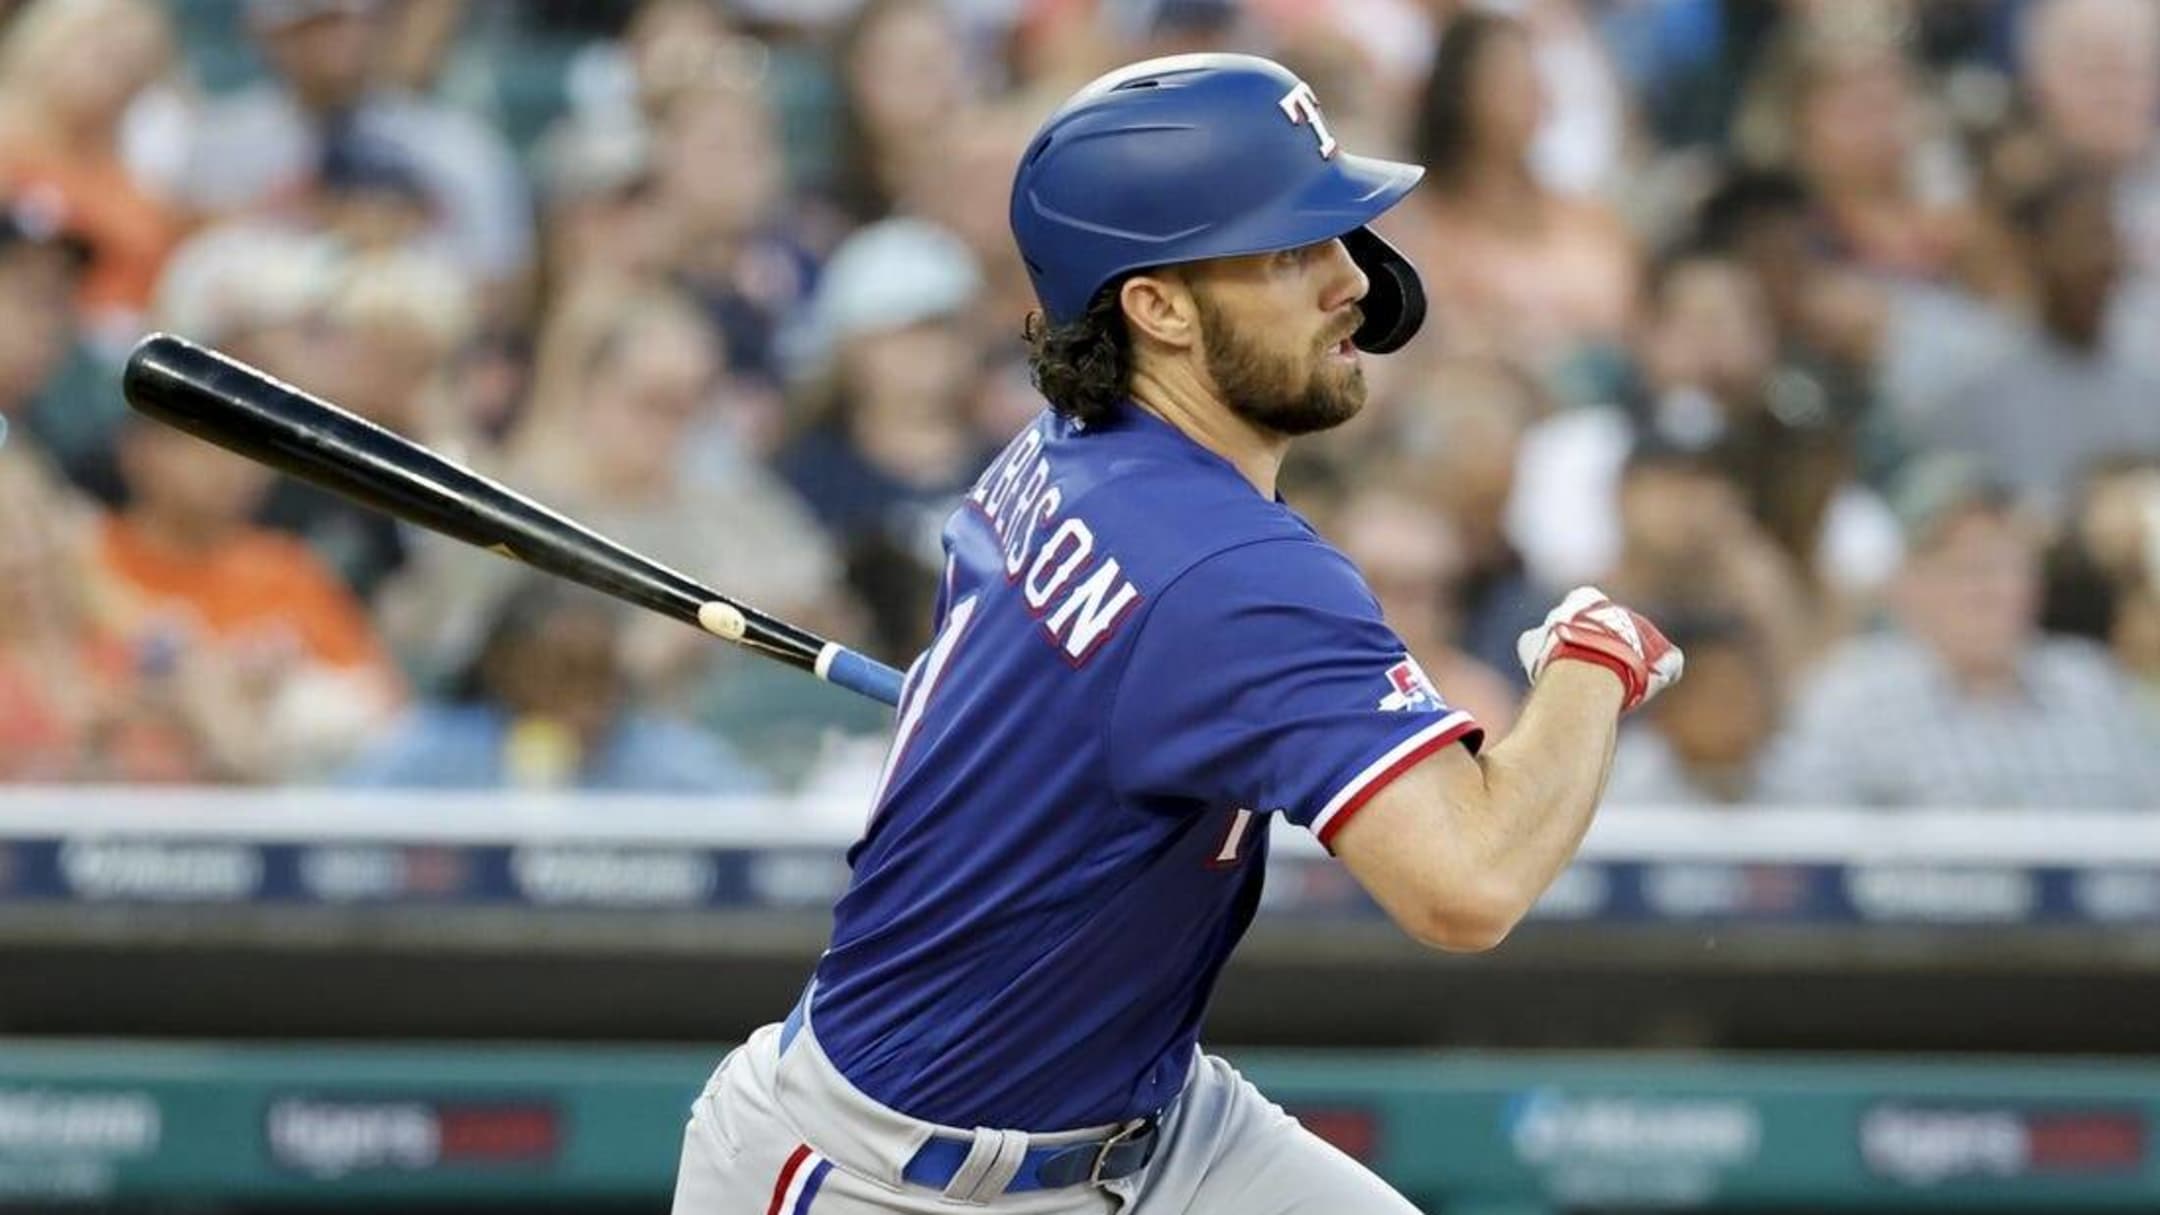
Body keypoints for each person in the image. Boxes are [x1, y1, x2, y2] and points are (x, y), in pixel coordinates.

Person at [668, 54, 1681, 1214]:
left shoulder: (1067, 443)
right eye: (1290, 250)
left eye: (1338, 236)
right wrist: (1589, 667)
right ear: (1153, 306)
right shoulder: (1229, 573)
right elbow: (1468, 884)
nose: (1352, 280)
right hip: (893, 1177)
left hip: (1149, 1125)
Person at [1760, 467, 2160, 808]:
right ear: (1905, 585)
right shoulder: (1847, 698)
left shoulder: (2094, 687)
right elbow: (1801, 851)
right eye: (1961, 567)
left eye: (2003, 565)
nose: (1984, 590)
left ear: (2036, 584)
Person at [341, 580, 767, 793]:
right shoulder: (431, 752)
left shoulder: (671, 762)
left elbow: (764, 833)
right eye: (563, 674)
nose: (587, 701)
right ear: (502, 670)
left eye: (601, 675)